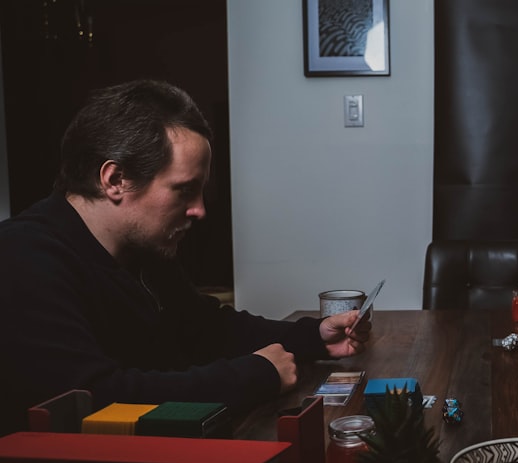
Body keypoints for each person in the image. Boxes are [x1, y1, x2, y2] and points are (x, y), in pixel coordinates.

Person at [0, 80, 371, 436]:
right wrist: (254, 376)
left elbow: (206, 329)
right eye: (184, 190)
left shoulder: (145, 248)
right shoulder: (23, 258)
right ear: (114, 180)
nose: (199, 210)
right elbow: (94, 397)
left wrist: (313, 337)